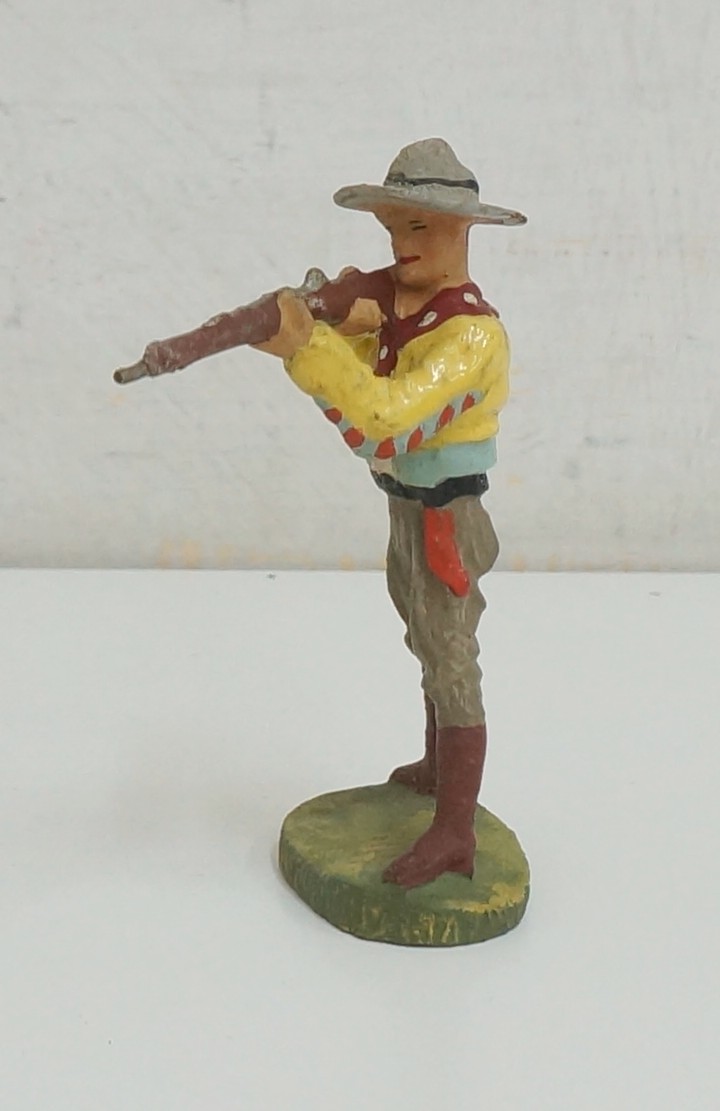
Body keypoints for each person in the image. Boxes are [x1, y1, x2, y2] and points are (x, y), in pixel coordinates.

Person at [256, 138, 526, 888]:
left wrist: (307, 349)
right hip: (407, 509)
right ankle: (438, 769)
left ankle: (455, 830)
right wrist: (326, 326)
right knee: (424, 636)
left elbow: (385, 417)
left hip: (446, 519)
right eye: (394, 228)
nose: (402, 245)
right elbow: (371, 361)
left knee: (451, 655)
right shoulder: (411, 313)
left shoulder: (471, 334)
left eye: (420, 227)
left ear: (462, 230)